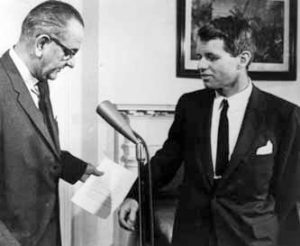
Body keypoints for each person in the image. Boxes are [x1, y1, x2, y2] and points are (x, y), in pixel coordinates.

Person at [118, 16, 300, 246]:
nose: (201, 65)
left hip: (252, 238)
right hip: (193, 235)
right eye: (199, 57)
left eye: (211, 57)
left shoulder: (283, 115)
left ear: (242, 59)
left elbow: (289, 191)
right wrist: (136, 195)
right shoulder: (190, 105)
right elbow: (166, 160)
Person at [0, 1, 103, 246]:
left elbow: (24, 143)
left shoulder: (39, 82)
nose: (71, 62)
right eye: (69, 52)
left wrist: (74, 168)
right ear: (42, 43)